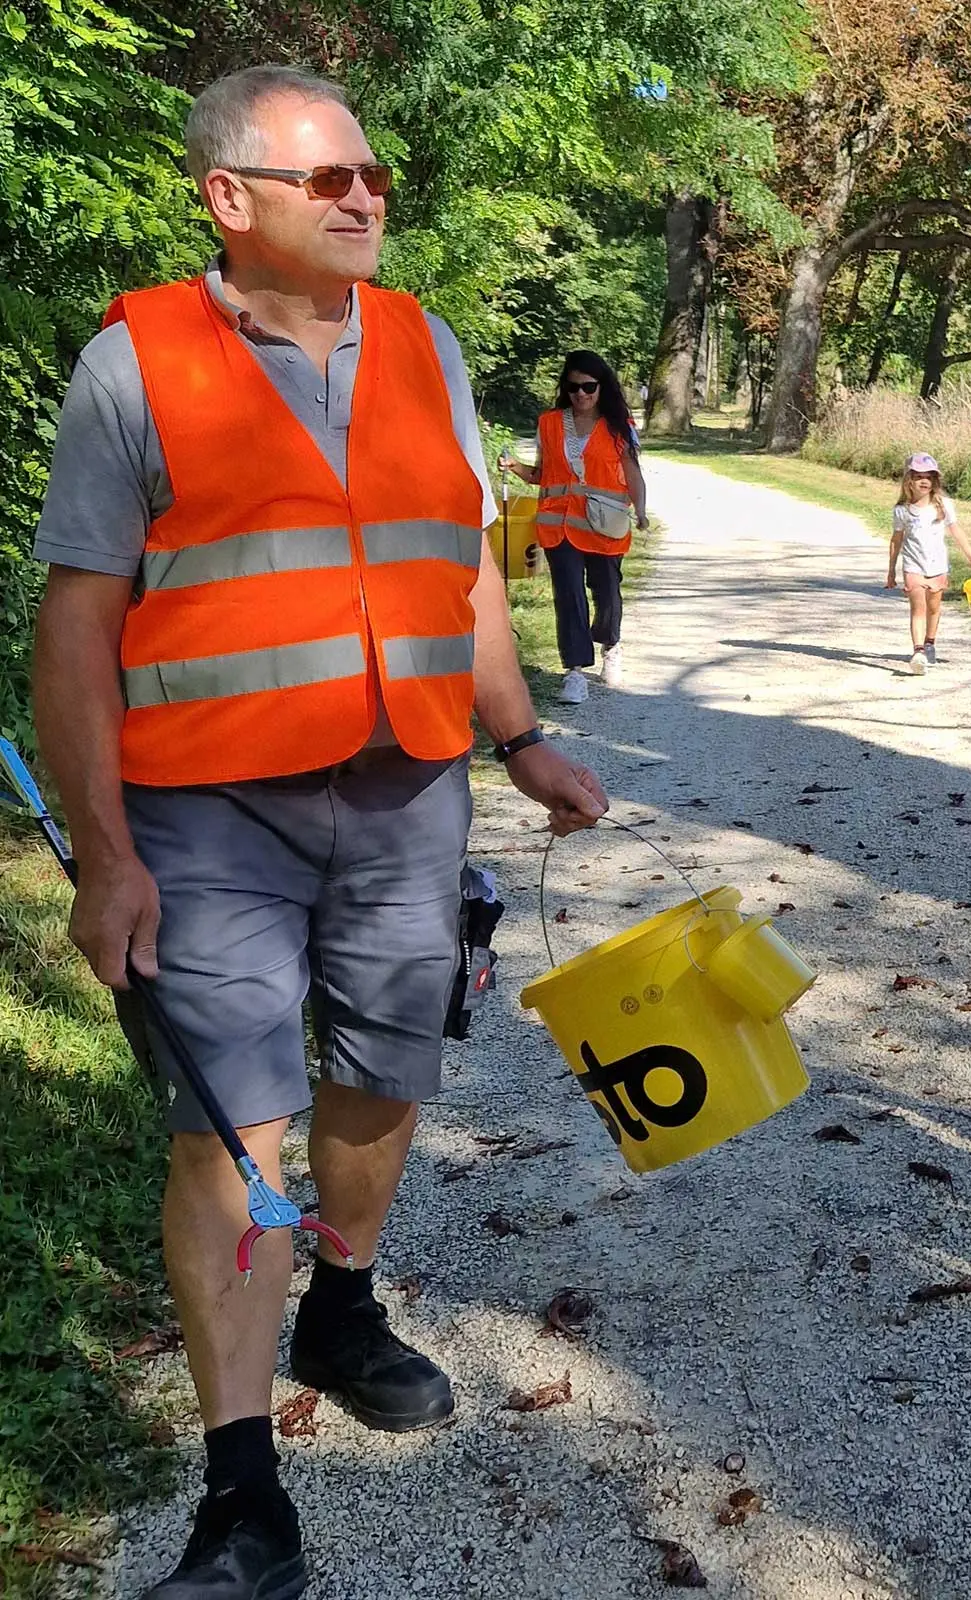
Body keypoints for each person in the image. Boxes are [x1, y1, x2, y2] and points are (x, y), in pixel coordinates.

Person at [28, 65, 609, 1599]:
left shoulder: (430, 344)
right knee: (236, 1124)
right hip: (206, 811)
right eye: (325, 180)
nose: (364, 199)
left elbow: (463, 571)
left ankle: (340, 1304)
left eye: (372, 178)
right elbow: (77, 628)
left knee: (383, 1077)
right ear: (230, 200)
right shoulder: (134, 362)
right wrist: (106, 854)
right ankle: (242, 1501)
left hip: (411, 784)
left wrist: (523, 735)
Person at [507, 350, 649, 705]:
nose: (581, 395)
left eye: (589, 387)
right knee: (568, 595)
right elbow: (544, 476)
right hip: (560, 525)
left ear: (603, 387)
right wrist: (515, 467)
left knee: (607, 593)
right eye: (573, 388)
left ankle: (611, 644)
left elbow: (632, 472)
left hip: (604, 525)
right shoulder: (550, 423)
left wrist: (642, 509)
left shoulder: (620, 425)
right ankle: (574, 672)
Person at [885, 451, 971, 673]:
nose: (924, 481)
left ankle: (930, 642)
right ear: (909, 479)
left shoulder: (944, 506)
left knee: (933, 608)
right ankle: (918, 650)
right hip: (913, 566)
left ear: (934, 481)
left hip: (937, 565)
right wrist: (891, 570)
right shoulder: (902, 511)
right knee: (917, 609)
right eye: (919, 476)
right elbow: (896, 540)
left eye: (929, 477)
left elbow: (956, 531)